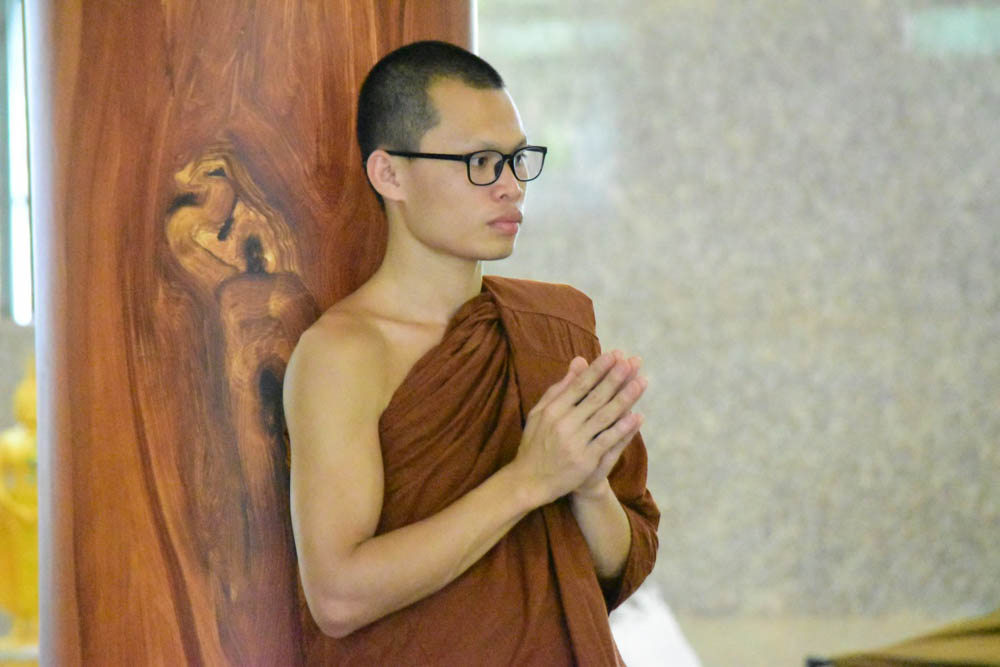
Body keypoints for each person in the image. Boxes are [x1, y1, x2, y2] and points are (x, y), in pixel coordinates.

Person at [283, 40, 659, 665]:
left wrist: (589, 488)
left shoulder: (552, 327)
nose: (511, 187)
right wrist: (528, 481)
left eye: (518, 160)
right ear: (390, 174)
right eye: (481, 162)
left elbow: (618, 566)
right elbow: (338, 596)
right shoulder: (344, 353)